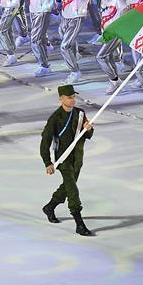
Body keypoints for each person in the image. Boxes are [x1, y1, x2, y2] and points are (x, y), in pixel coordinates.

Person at [40, 84, 94, 237]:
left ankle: (50, 206)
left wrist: (89, 129)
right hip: (63, 159)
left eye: (74, 97)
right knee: (72, 190)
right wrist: (48, 162)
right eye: (69, 97)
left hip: (78, 157)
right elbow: (45, 142)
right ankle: (79, 223)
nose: (72, 100)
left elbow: (87, 135)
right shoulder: (55, 118)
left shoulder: (80, 113)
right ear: (61, 99)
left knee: (68, 186)